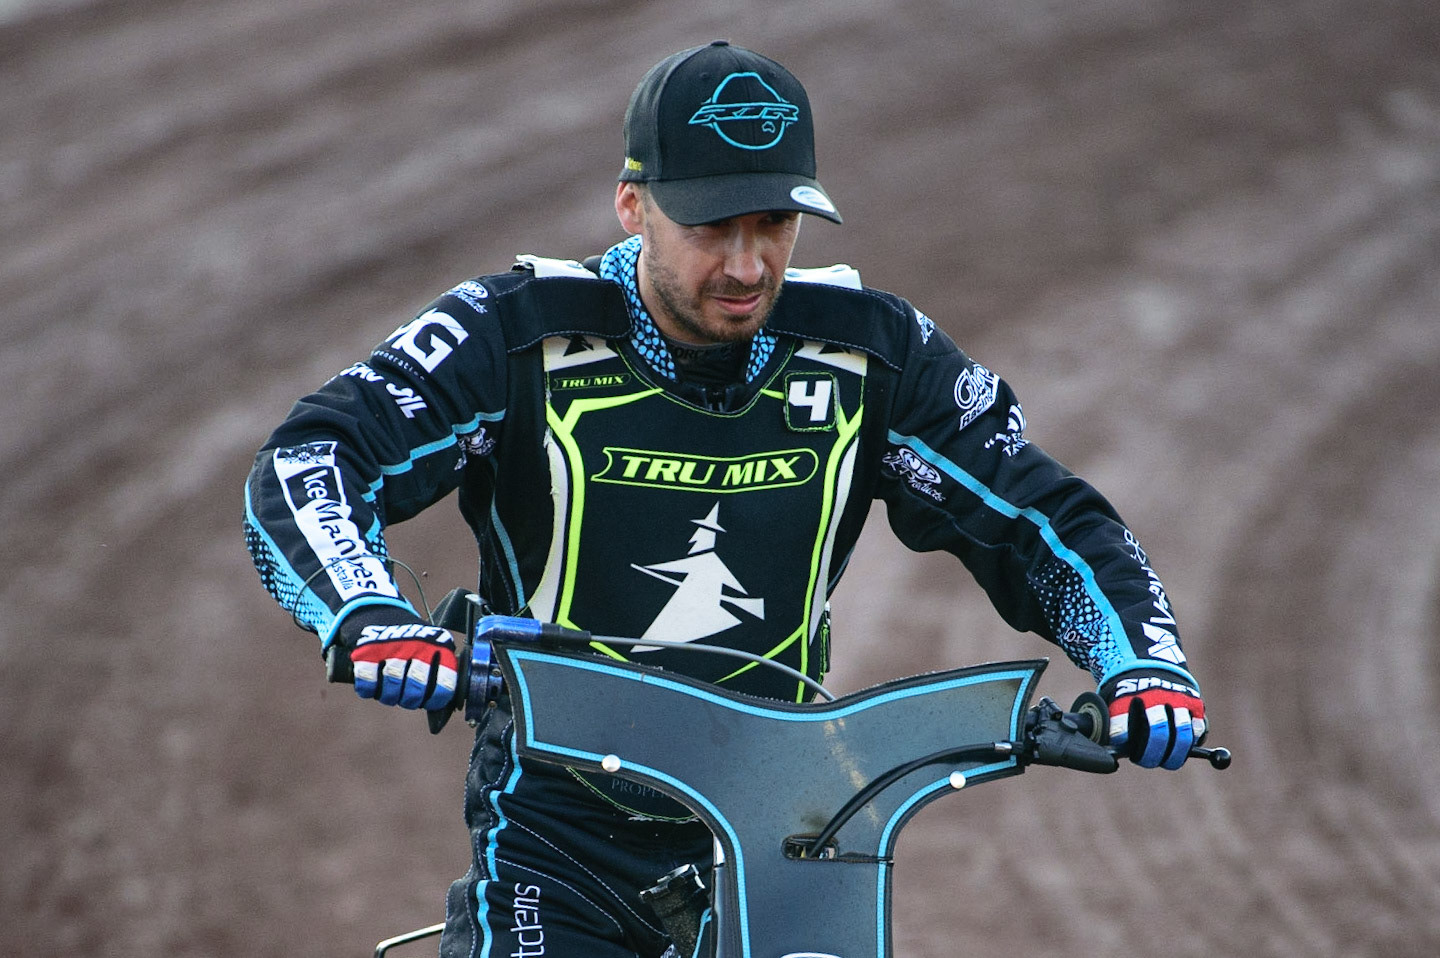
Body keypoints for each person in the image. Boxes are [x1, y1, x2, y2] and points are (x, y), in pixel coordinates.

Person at [243, 40, 1207, 958]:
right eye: (711, 227)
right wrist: (368, 614)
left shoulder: (869, 351)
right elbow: (311, 457)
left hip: (786, 824)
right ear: (633, 204)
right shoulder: (517, 332)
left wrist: (1140, 664)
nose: (747, 267)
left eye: (774, 227)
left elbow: (1043, 521)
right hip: (558, 828)